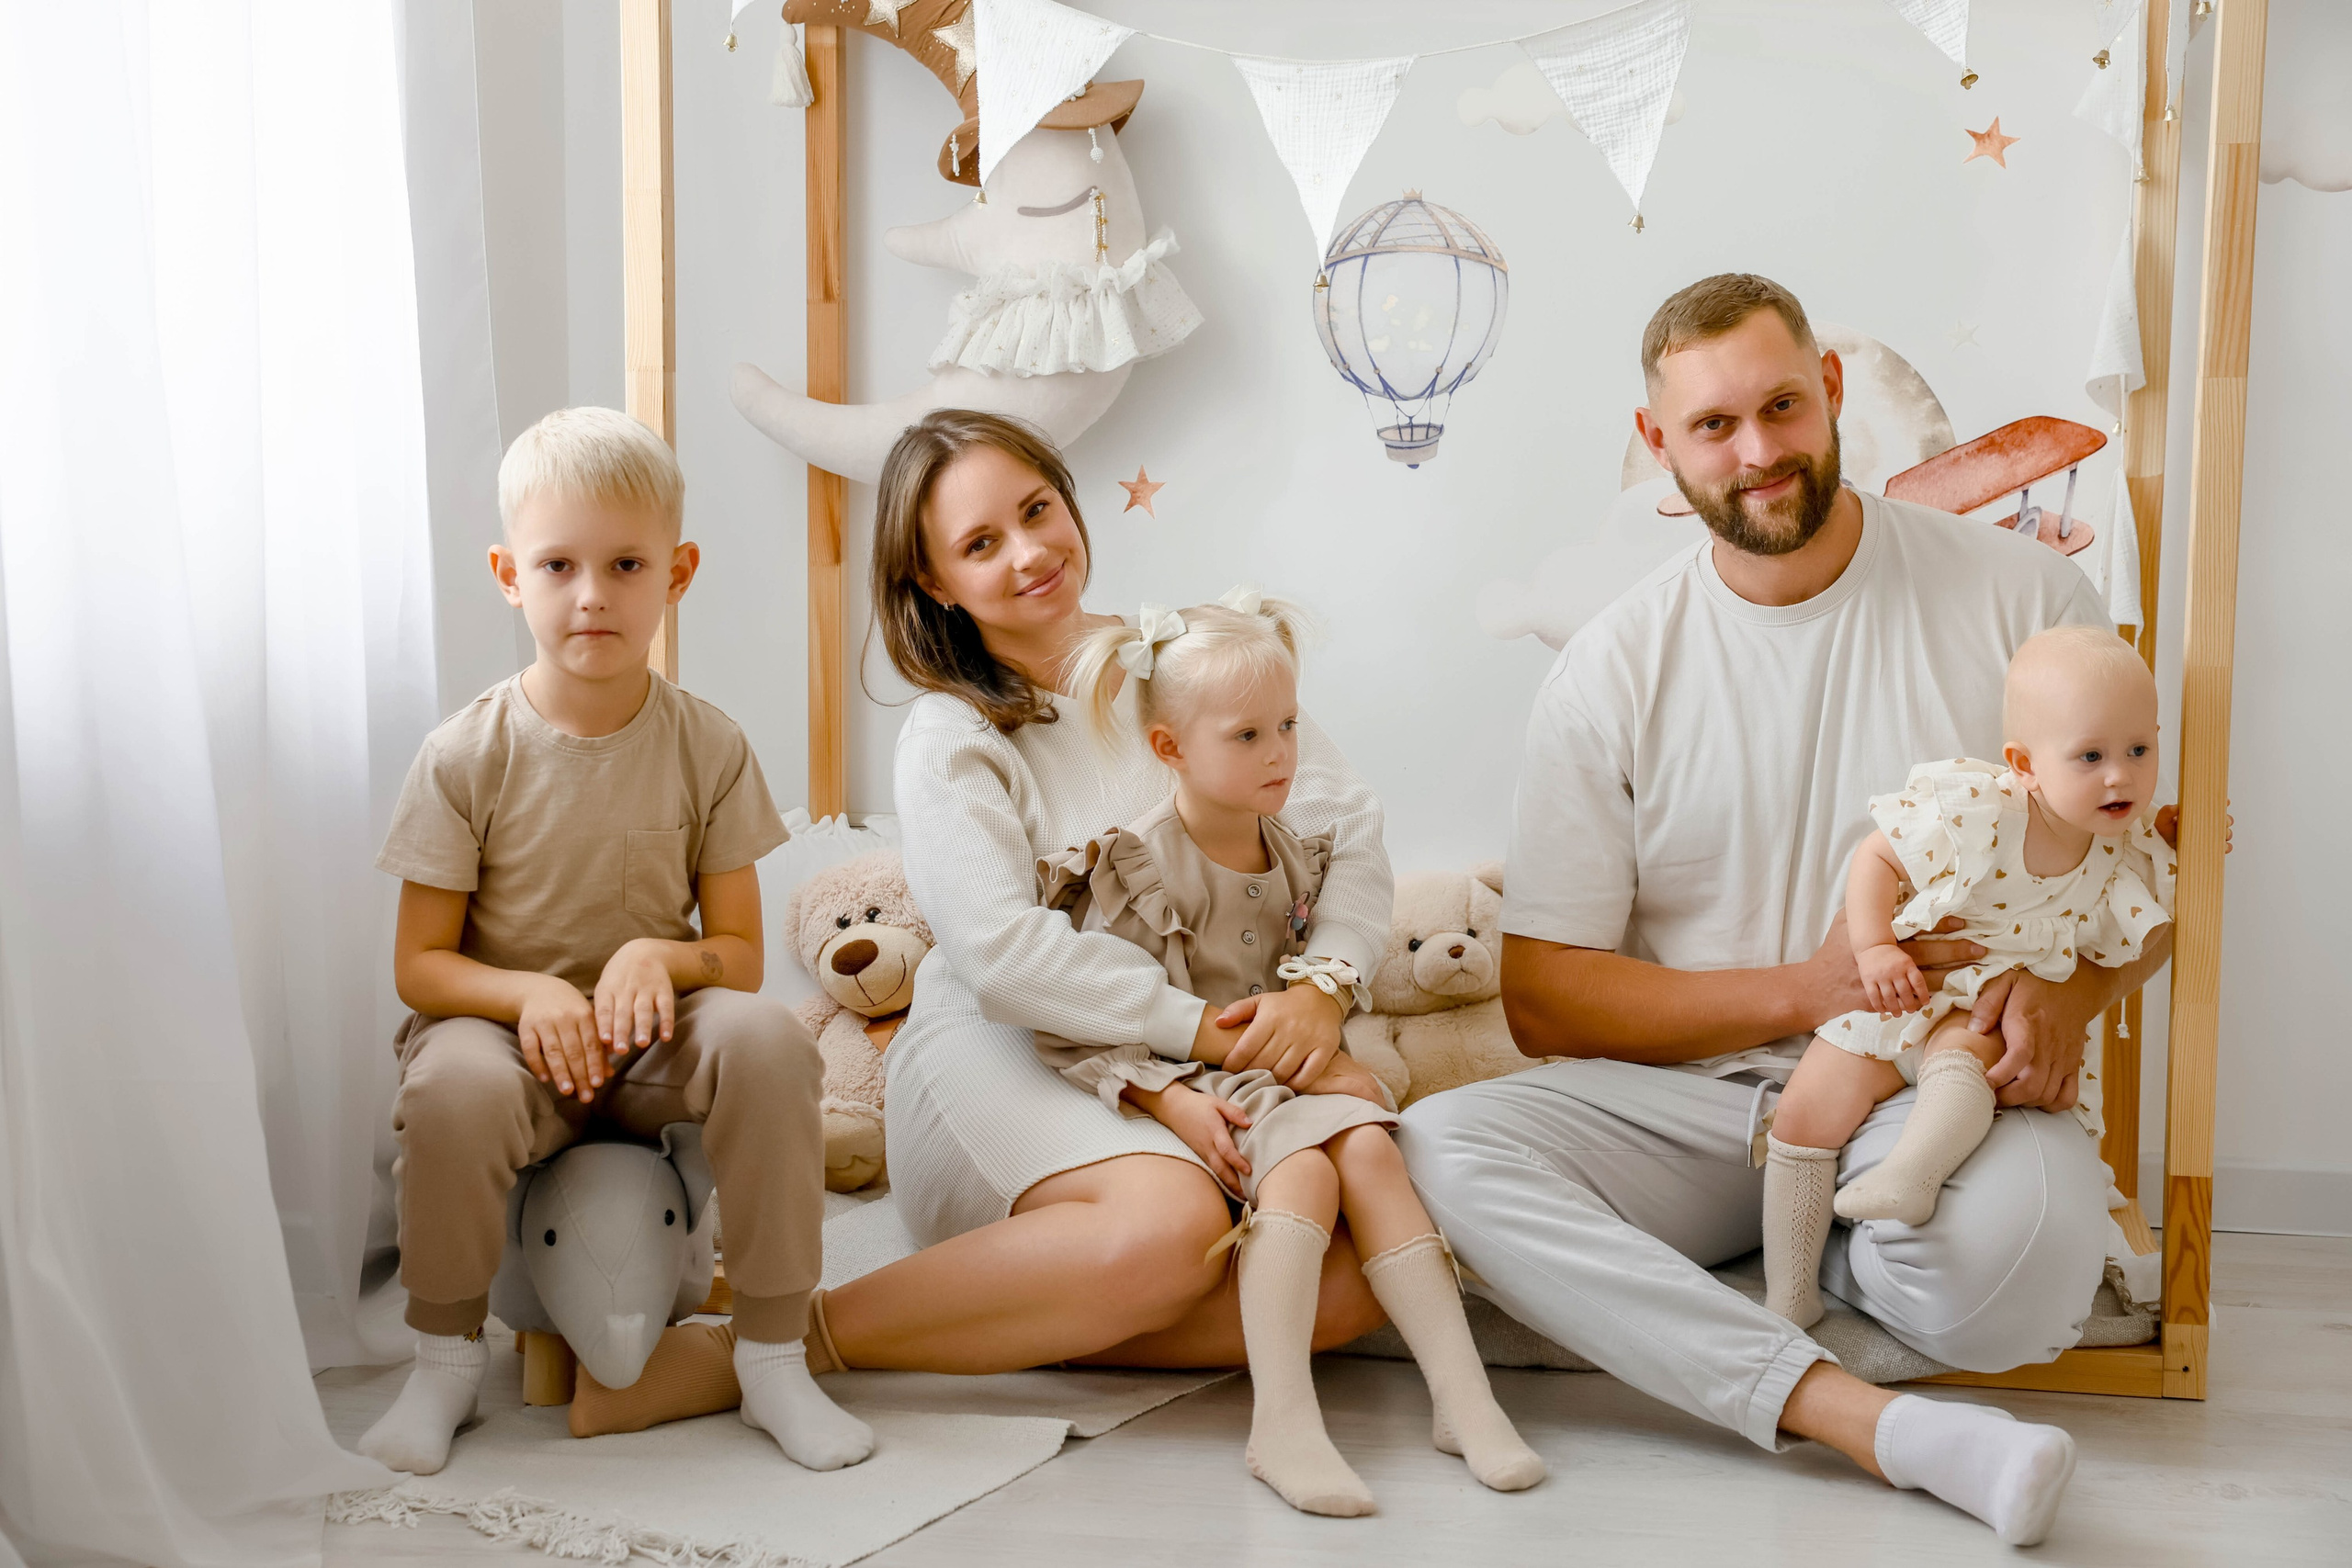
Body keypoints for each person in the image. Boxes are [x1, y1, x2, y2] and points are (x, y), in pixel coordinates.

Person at [1399, 275, 2177, 1547]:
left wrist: (2075, 991)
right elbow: (1541, 1000)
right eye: (1713, 425)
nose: (1757, 451)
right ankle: (1861, 1413)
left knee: (2027, 1269)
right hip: (1690, 1106)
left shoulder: (2025, 602)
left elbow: (2137, 871)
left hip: (1925, 1085)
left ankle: (1779, 1268)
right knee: (1440, 1148)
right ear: (1659, 442)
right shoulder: (1612, 668)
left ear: (1830, 388)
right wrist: (1814, 987)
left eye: (1780, 406)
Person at [804, 410, 1396, 1380]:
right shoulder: (954, 735)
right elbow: (1001, 958)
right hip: (1004, 1050)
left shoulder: (1184, 662)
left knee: (1374, 1260)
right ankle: (788, 1343)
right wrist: (1212, 1044)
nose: (1031, 552)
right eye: (981, 543)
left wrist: (1322, 990)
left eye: (1038, 509)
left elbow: (1348, 831)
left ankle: (1048, 1310)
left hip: (1201, 1051)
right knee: (1174, 1227)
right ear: (931, 580)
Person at [357, 408, 869, 1476]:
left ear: (676, 574)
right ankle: (442, 1362)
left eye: (625, 565)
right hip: (507, 1046)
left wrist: (656, 959)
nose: (591, 594)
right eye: (559, 565)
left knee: (769, 1040)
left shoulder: (708, 744)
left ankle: (773, 1357)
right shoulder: (463, 754)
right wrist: (528, 996)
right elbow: (419, 966)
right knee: (450, 1085)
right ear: (510, 576)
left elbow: (737, 953)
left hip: (650, 1050)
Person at [1039, 590, 1543, 1515]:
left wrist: (1324, 1037)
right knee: (1307, 1172)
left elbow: (1314, 976)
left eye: (1287, 726)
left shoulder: (1296, 850)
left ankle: (1462, 1398)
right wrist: (1165, 1098)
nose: (1279, 753)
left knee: (1374, 1151)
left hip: (1282, 1071)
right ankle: (1282, 1422)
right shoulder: (1136, 870)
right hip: (1193, 1076)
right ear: (1169, 748)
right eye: (1247, 736)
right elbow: (1076, 1019)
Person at [1763, 626, 2177, 1327]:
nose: (2121, 776)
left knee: (1972, 1055)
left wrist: (2187, 833)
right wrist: (1874, 947)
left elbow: (2161, 918)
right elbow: (1877, 857)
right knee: (1805, 1111)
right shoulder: (1982, 810)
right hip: (1901, 990)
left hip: (1984, 1008)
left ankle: (1910, 1176)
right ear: (2026, 764)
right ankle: (1789, 1294)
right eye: (2092, 756)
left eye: (2139, 750)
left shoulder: (2126, 848)